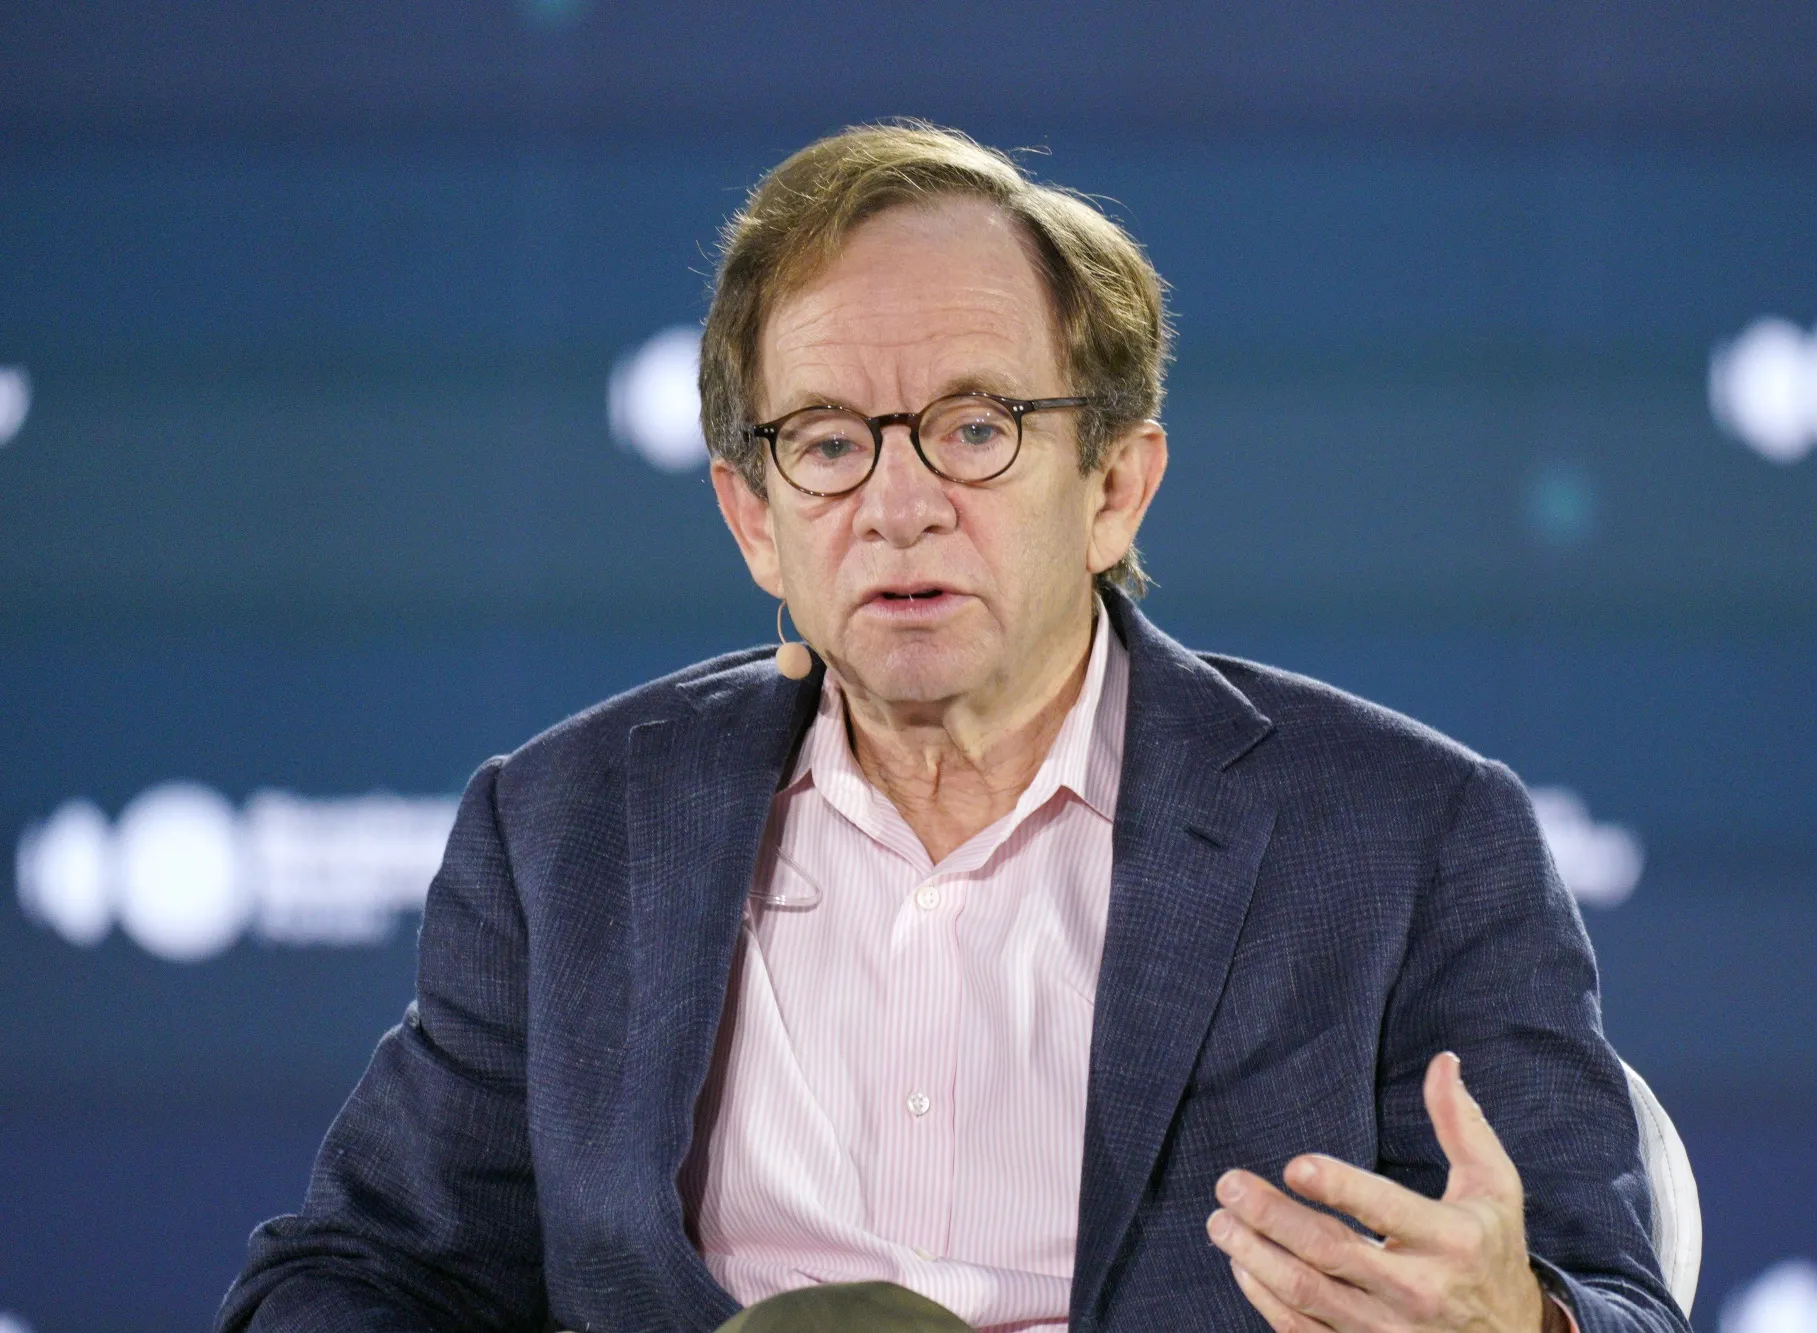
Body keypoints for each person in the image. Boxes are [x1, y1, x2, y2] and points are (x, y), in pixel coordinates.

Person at [217, 122, 1685, 1333]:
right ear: (754, 518)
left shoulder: (1403, 836)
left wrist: (1526, 1326)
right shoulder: (568, 832)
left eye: (978, 428)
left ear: (1115, 485)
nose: (900, 501)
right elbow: (357, 1274)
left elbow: (1613, 1299)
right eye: (829, 441)